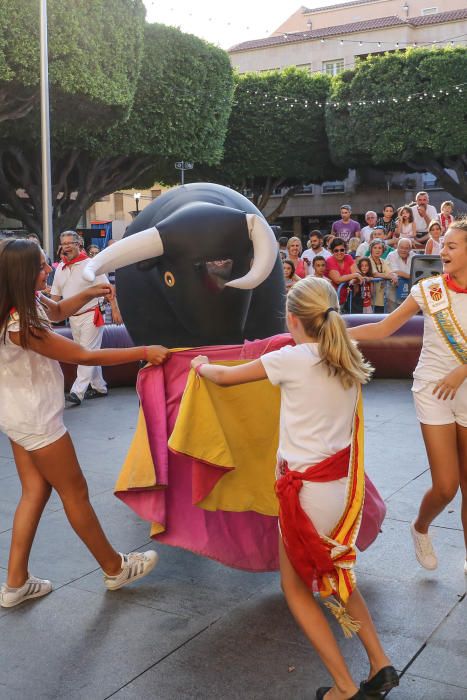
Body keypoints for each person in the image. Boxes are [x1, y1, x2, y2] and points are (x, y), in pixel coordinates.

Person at [190, 277, 398, 700]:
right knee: (340, 576)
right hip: (342, 489)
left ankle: (343, 687)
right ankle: (380, 665)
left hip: (305, 494)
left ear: (292, 319)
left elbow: (225, 378)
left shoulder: (291, 358)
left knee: (296, 588)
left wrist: (200, 365)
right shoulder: (346, 354)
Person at [0, 238, 170, 608]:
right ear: (22, 273)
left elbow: (60, 310)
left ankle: (15, 582)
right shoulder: (20, 324)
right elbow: (82, 354)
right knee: (74, 492)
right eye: (43, 266)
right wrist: (143, 351)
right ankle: (114, 567)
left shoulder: (27, 302)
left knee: (35, 492)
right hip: (37, 419)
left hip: (17, 415)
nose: (49, 270)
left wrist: (90, 293)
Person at [348, 219, 467, 576]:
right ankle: (420, 527)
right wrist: (338, 330)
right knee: (446, 486)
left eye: (451, 246)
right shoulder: (428, 290)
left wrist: (463, 370)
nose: (441, 251)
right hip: (433, 390)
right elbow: (384, 328)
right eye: (443, 245)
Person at [51, 231, 120, 406]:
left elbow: (107, 289)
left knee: (85, 353)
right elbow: (55, 297)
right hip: (72, 318)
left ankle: (77, 392)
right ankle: (99, 387)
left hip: (91, 314)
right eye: (63, 243)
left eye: (70, 243)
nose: (66, 246)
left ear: (79, 244)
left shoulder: (91, 264)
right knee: (90, 353)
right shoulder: (60, 268)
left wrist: (115, 310)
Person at [326, 238, 362, 308]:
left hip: (346, 299)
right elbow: (338, 280)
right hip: (331, 301)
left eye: (342, 250)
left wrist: (353, 280)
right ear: (332, 251)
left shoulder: (348, 257)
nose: (339, 252)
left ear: (345, 249)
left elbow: (358, 274)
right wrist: (354, 275)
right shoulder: (329, 261)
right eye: (336, 250)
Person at [366, 239, 397, 313]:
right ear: (371, 249)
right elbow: (375, 274)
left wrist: (394, 276)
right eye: (375, 248)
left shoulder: (383, 261)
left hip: (382, 297)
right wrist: (390, 277)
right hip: (371, 297)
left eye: (380, 248)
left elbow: (390, 272)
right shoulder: (368, 260)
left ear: (383, 250)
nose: (377, 250)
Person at [386, 238, 414, 311]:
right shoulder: (391, 255)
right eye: (401, 247)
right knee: (393, 316)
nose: (403, 250)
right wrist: (412, 277)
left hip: (409, 293)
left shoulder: (413, 255)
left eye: (406, 248)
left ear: (410, 249)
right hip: (394, 292)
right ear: (397, 247)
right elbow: (396, 271)